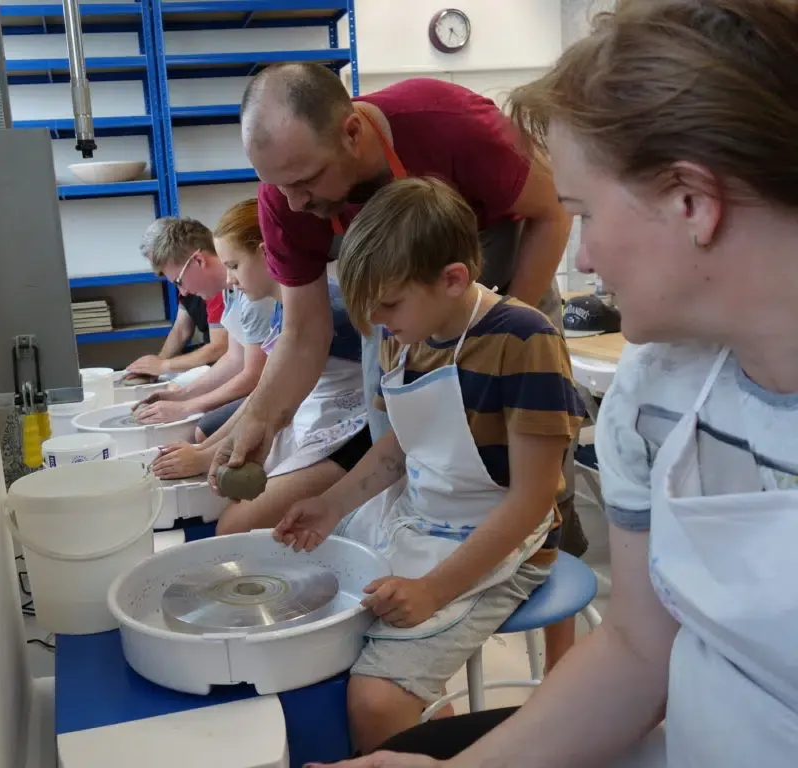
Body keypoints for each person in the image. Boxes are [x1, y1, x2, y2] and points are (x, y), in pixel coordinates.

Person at [316, 1, 798, 766]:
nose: (589, 260)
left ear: (692, 202)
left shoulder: (528, 344)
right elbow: (639, 649)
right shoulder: (654, 392)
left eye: (584, 214)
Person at [210, 64, 589, 660]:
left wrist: (496, 333)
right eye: (277, 186)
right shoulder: (289, 202)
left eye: (306, 180)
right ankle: (432, 593)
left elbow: (552, 213)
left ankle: (560, 658)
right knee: (401, 437)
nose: (293, 201)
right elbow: (303, 335)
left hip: (504, 277)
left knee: (535, 471)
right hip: (395, 301)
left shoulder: (448, 125)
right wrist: (258, 422)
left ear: (352, 133)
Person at [273, 177, 584, 754]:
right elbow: (400, 448)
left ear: (454, 279)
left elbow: (532, 499)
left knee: (376, 699)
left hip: (508, 539)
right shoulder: (405, 333)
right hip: (423, 518)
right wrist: (331, 505)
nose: (379, 321)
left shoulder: (523, 340)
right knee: (314, 630)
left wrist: (434, 590)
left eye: (389, 304)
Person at [152, 198, 372, 534]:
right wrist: (206, 450)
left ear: (266, 253)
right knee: (233, 495)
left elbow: (267, 392)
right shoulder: (284, 305)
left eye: (234, 266)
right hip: (315, 415)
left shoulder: (326, 308)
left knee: (233, 527)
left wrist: (206, 451)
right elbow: (267, 394)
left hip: (353, 432)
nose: (229, 279)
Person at [133, 217, 276, 437]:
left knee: (202, 430)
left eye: (179, 282)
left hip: (282, 387)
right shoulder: (230, 291)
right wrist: (182, 395)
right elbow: (234, 358)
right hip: (265, 382)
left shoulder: (252, 295)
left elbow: (254, 375)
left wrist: (186, 407)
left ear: (198, 261)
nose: (183, 292)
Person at [127, 219, 229, 380]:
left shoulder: (215, 286)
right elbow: (180, 331)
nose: (158, 269)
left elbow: (220, 347)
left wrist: (164, 366)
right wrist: (156, 365)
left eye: (162, 262)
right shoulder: (188, 280)